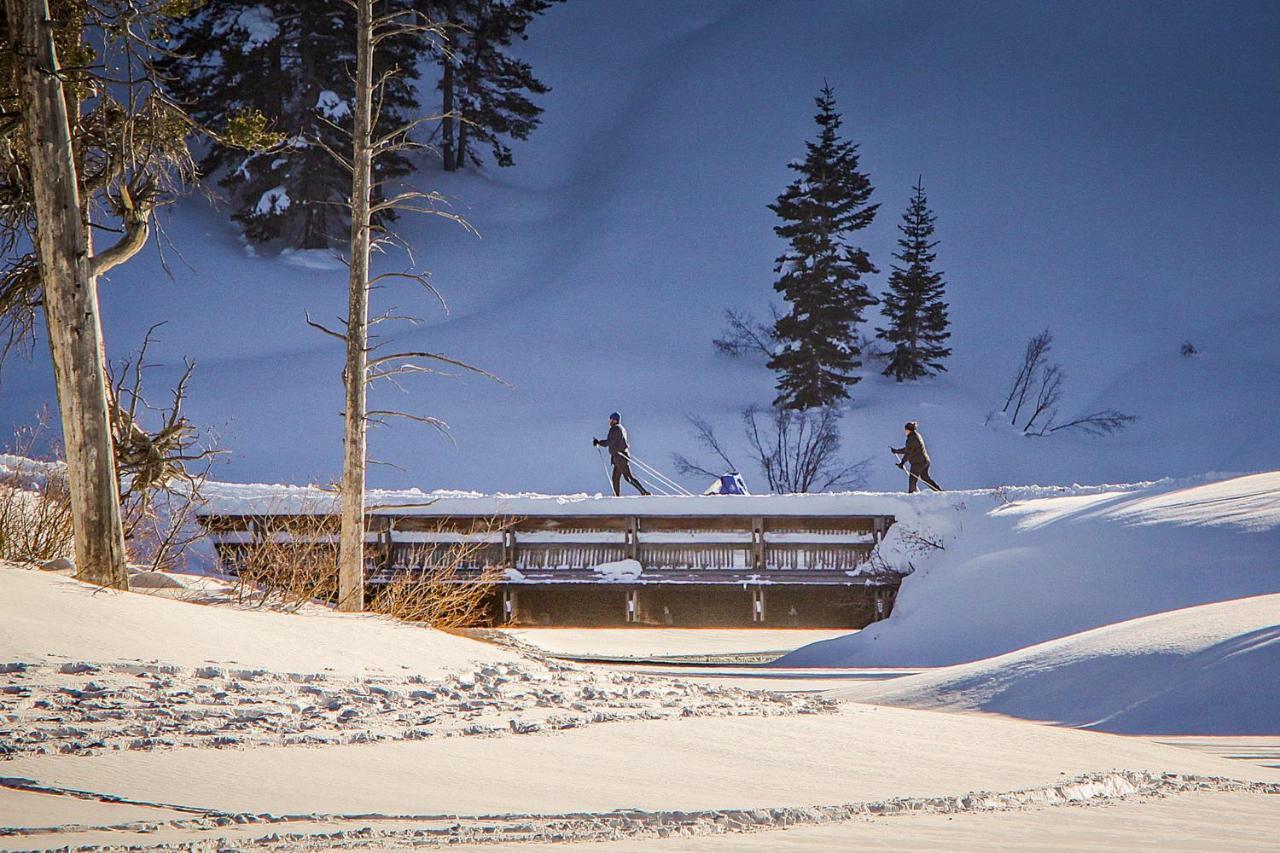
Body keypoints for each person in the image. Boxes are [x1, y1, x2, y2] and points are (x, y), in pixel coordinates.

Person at [593, 411, 650, 496]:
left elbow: (610, 441)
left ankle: (644, 492)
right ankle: (616, 496)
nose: (610, 421)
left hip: (620, 457)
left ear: (615, 420)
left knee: (628, 477)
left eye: (611, 419)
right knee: (616, 478)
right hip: (620, 456)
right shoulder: (621, 428)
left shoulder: (615, 429)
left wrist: (599, 443)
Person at [892, 421, 942, 493]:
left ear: (908, 430)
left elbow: (908, 453)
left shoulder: (911, 439)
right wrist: (896, 451)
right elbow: (908, 449)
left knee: (912, 479)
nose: (904, 431)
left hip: (918, 462)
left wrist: (902, 463)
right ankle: (939, 491)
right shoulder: (916, 435)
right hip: (925, 460)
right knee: (925, 478)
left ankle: (912, 496)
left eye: (905, 430)